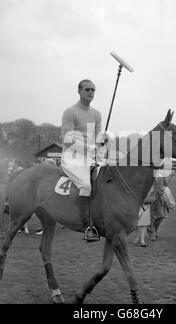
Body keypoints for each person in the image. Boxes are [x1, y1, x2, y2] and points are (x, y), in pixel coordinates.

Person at [61, 79, 106, 242]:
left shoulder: (97, 114)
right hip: (72, 156)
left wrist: (103, 140)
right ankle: (87, 226)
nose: (91, 92)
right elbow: (68, 139)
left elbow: (98, 136)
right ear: (79, 91)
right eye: (87, 89)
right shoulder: (70, 112)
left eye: (93, 90)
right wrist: (92, 148)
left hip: (91, 156)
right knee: (86, 185)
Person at [147, 176, 176, 241]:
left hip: (160, 199)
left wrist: (164, 189)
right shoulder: (148, 173)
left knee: (161, 215)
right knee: (150, 217)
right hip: (149, 198)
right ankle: (151, 234)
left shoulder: (162, 175)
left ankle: (154, 230)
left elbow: (166, 185)